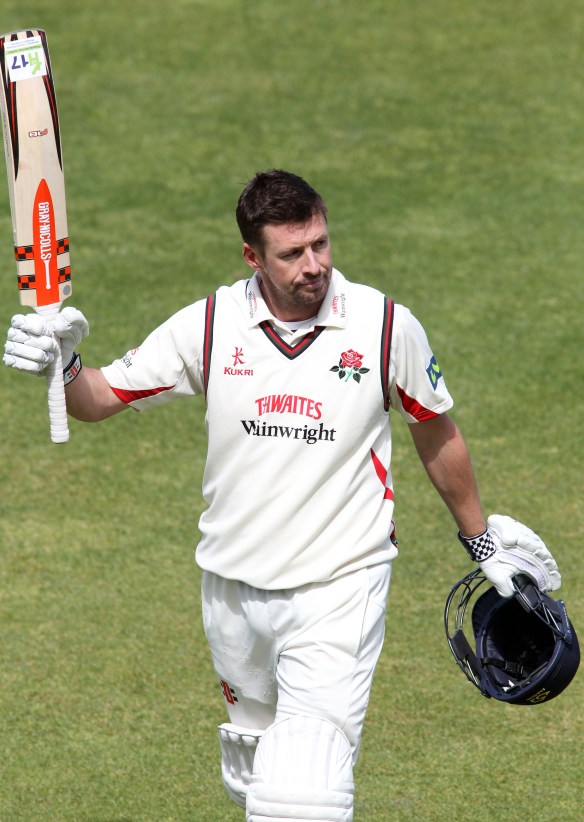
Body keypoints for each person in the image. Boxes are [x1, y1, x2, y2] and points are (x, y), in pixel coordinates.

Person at [4, 170, 561, 821]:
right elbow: (99, 399)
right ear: (252, 256)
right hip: (232, 590)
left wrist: (481, 540)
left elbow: (435, 429)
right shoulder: (211, 324)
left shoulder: (383, 326)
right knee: (256, 771)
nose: (314, 265)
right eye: (292, 254)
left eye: (321, 244)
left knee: (305, 789)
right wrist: (64, 363)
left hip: (339, 585)